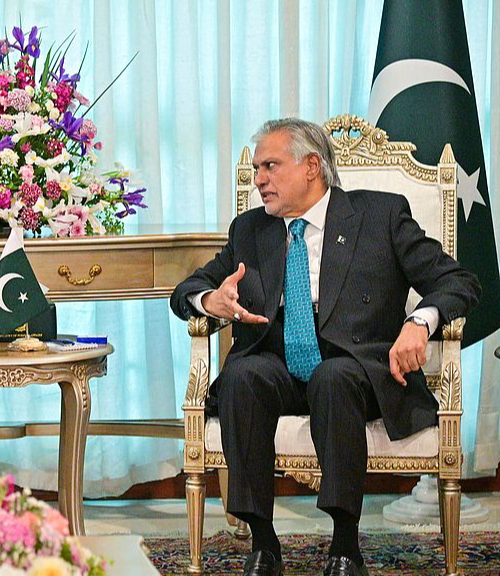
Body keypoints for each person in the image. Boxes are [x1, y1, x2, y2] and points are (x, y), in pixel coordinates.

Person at [171, 118, 480, 576]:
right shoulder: (250, 229)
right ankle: (263, 544)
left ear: (311, 166)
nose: (259, 180)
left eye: (271, 166)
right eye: (257, 169)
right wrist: (209, 300)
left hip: (354, 368)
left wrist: (420, 322)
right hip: (277, 363)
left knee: (332, 378)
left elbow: (458, 281)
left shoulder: (380, 215)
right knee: (241, 375)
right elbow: (186, 290)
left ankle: (345, 546)